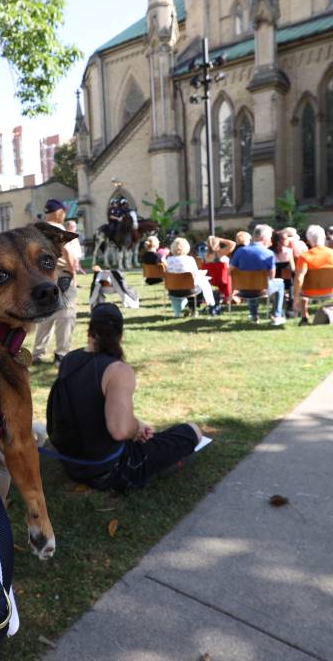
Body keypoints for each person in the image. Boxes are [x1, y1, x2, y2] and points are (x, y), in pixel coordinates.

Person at [46, 303, 201, 491]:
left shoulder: (69, 359)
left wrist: (138, 425)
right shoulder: (117, 370)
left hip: (71, 462)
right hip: (107, 470)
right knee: (191, 431)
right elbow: (120, 431)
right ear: (120, 335)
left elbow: (89, 408)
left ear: (90, 331)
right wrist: (134, 429)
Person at [33, 198, 81, 366]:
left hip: (44, 277)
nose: (65, 215)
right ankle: (61, 353)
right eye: (64, 212)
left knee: (46, 314)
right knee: (66, 315)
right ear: (59, 212)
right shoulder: (57, 230)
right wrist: (72, 270)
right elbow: (66, 250)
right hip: (62, 275)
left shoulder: (38, 231)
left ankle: (38, 352)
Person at [229, 225, 287, 326]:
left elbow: (230, 270)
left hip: (243, 289)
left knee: (251, 284)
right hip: (261, 289)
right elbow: (272, 275)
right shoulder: (269, 253)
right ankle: (276, 316)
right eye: (270, 237)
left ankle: (254, 316)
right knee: (280, 284)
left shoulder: (240, 251)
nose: (271, 240)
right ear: (263, 238)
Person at [294, 224, 333, 324]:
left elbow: (299, 277)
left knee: (302, 281)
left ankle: (304, 316)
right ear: (324, 238)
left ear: (309, 240)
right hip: (332, 290)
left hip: (309, 292)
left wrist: (296, 297)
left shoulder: (304, 256)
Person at [165, 237, 217, 314]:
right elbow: (195, 273)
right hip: (188, 290)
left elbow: (167, 273)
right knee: (200, 288)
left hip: (172, 290)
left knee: (189, 287)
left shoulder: (168, 260)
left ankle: (177, 312)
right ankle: (192, 308)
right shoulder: (189, 259)